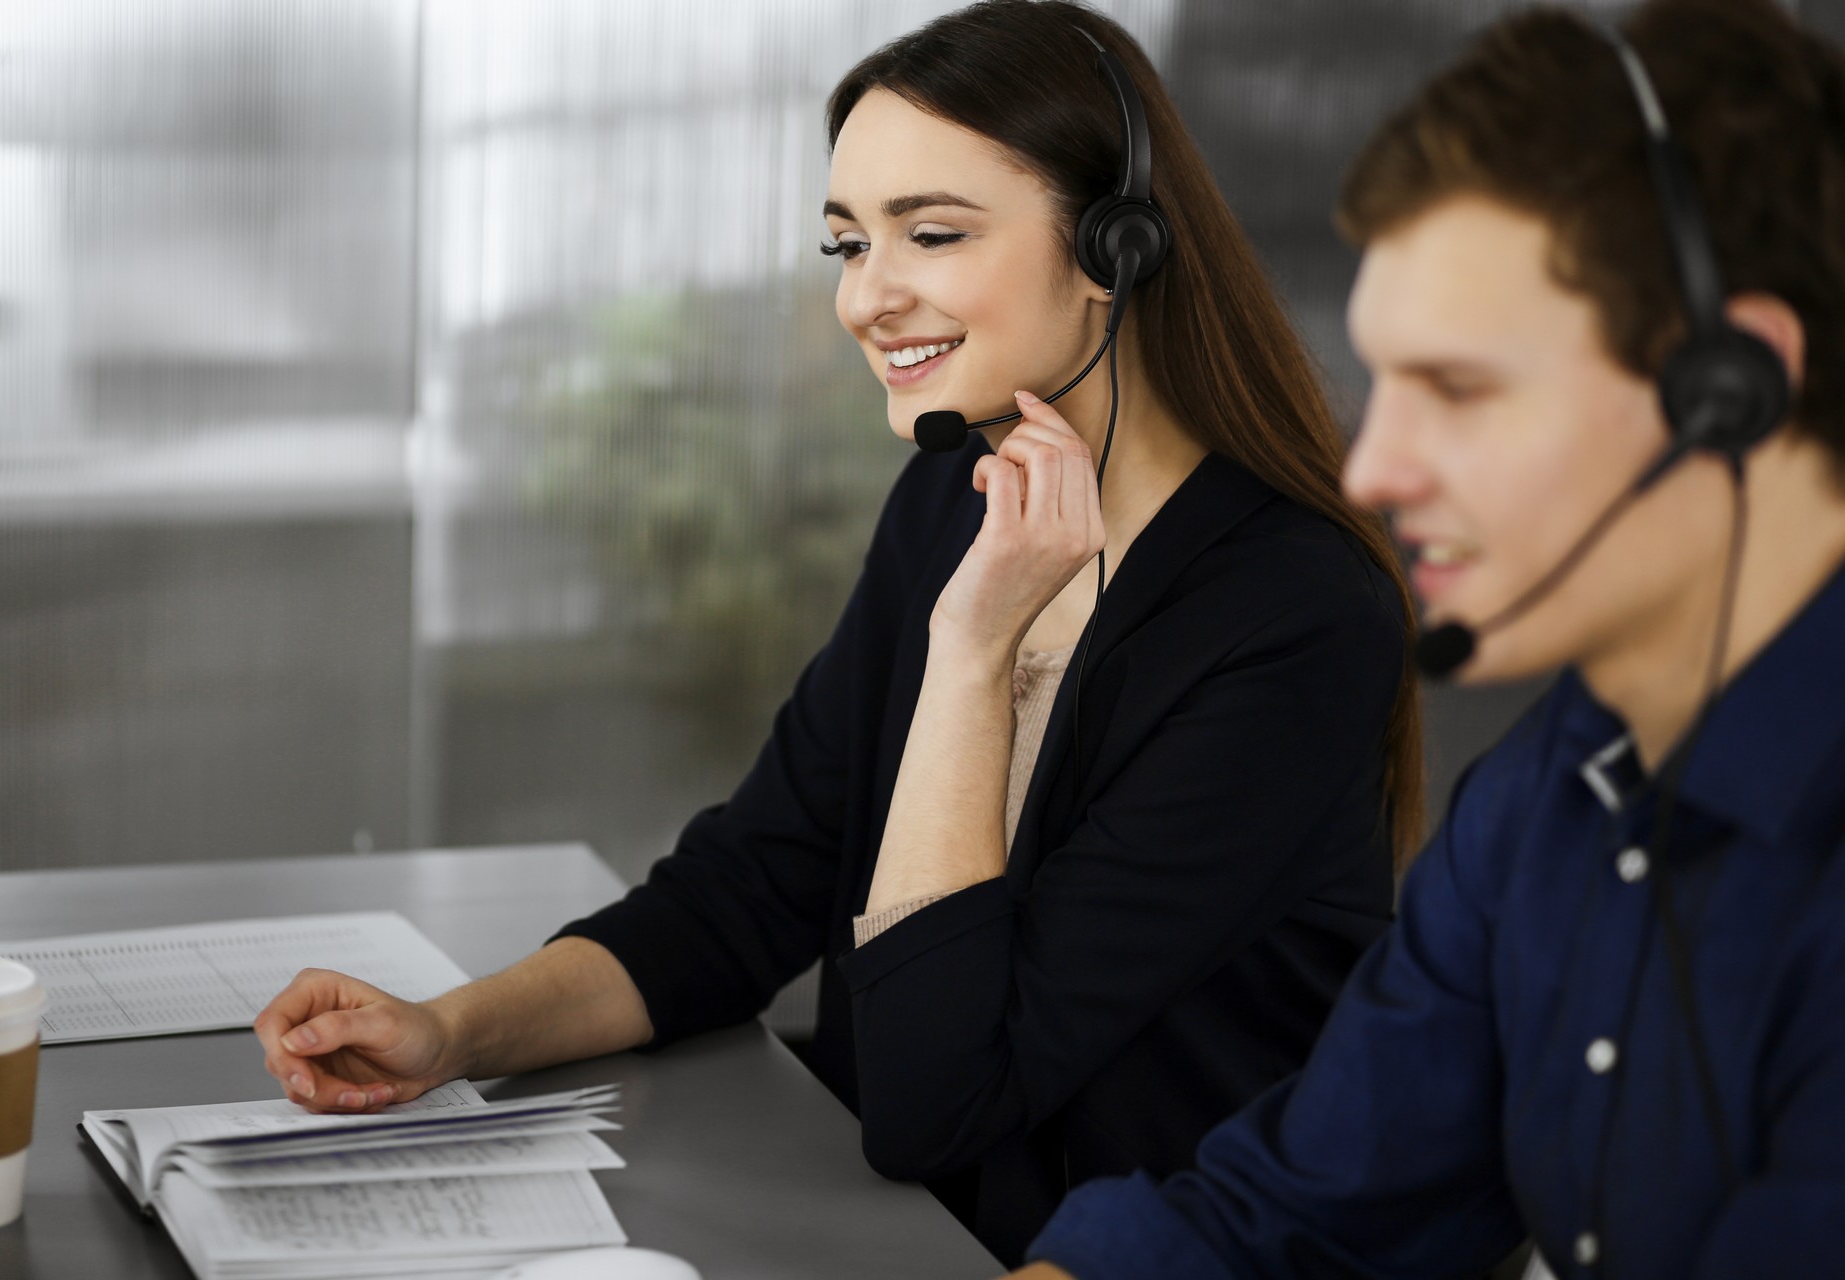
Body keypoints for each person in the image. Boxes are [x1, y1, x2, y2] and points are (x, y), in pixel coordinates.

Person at [253, 1, 1420, 1262]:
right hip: (910, 1230)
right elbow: (754, 880)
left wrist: (972, 650)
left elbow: (937, 1095)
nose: (868, 296)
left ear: (1114, 250)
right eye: (846, 244)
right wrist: (452, 1032)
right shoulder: (951, 495)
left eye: (930, 233)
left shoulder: (1291, 616)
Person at [1013, 1, 1845, 1276]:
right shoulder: (1552, 793)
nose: (1374, 472)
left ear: (1729, 387)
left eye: (1459, 389)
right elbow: (1297, 1218)